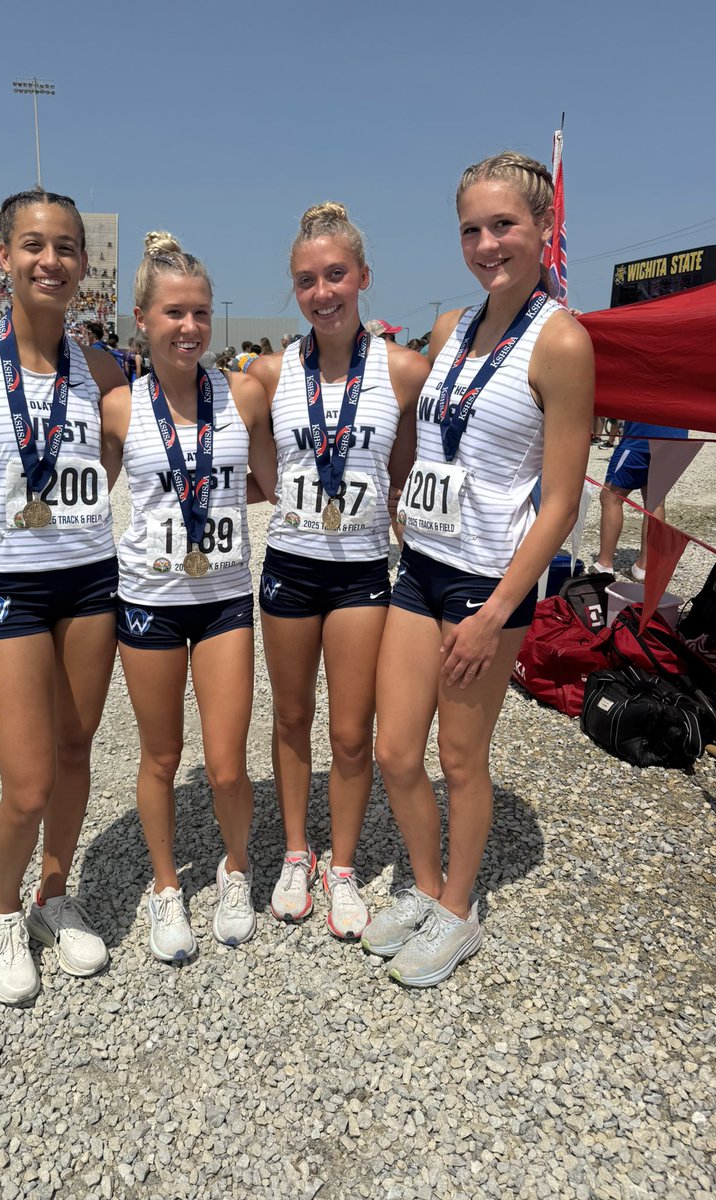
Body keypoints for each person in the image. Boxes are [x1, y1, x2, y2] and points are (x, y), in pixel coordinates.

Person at [368, 151, 594, 986]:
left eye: (504, 225)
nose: (487, 242)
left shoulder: (562, 340)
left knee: (461, 759)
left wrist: (499, 610)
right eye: (472, 228)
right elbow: (430, 430)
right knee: (395, 749)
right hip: (420, 565)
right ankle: (426, 889)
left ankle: (460, 911)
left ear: (542, 230)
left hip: (485, 586)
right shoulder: (450, 328)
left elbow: (563, 502)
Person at [0, 188, 127, 1005]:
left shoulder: (104, 369)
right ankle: (2, 911)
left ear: (84, 264)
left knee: (77, 755)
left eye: (67, 247)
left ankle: (53, 894)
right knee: (29, 783)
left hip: (90, 583)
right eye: (34, 245)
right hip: (6, 591)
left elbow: (111, 464)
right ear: (3, 256)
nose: (52, 260)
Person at [247, 203, 427, 940]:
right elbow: (255, 466)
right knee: (292, 717)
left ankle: (343, 865)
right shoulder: (265, 373)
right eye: (306, 280)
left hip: (359, 574)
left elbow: (406, 471)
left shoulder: (404, 371)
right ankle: (298, 853)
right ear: (294, 290)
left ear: (362, 278)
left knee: (353, 734)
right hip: (290, 565)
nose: (323, 292)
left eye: (335, 275)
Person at [113, 232, 276, 963]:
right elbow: (77, 493)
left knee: (226, 762)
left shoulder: (241, 393)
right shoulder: (119, 406)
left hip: (221, 600)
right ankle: (165, 885)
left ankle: (236, 868)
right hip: (146, 597)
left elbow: (270, 480)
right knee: (159, 756)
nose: (190, 328)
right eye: (175, 313)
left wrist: (207, 496)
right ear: (142, 318)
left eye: (202, 313)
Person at [590, 420, 689, 581]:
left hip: (642, 435)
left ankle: (604, 564)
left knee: (611, 497)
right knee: (655, 501)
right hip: (677, 439)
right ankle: (644, 567)